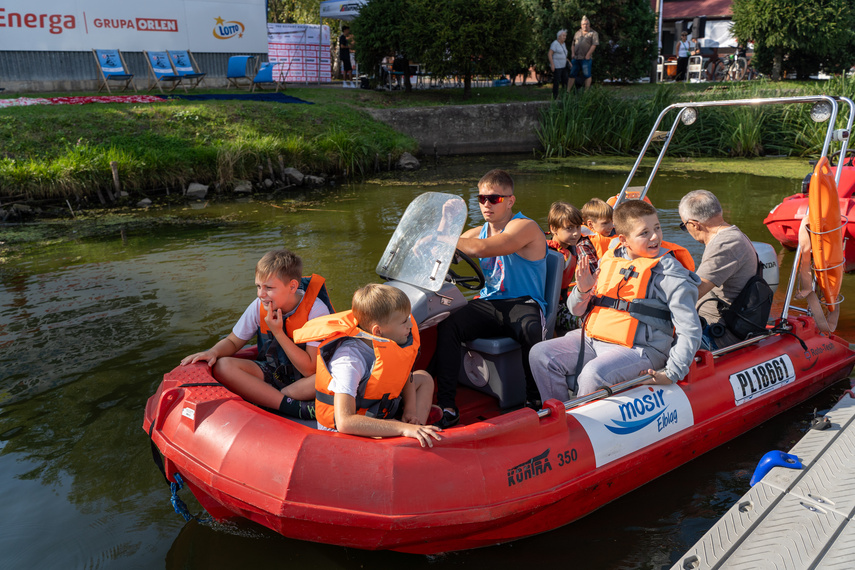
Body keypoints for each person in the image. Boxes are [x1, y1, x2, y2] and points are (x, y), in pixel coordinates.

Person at [529, 200, 702, 401]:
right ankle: (560, 418)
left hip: (641, 348)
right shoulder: (609, 260)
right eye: (644, 233)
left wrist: (672, 373)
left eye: (657, 228)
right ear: (623, 239)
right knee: (540, 354)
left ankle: (578, 422)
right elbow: (576, 310)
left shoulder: (671, 274)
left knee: (593, 374)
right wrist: (583, 289)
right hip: (594, 338)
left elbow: (690, 329)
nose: (655, 237)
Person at [431, 169, 548, 427]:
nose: (486, 204)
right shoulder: (480, 230)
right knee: (447, 323)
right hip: (489, 303)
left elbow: (482, 249)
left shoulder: (524, 226)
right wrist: (445, 222)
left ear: (510, 200)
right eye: (481, 198)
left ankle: (535, 401)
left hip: (523, 302)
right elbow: (437, 248)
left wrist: (447, 237)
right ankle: (447, 405)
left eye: (494, 199)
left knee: (530, 330)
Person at [180, 249, 333, 419]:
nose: (261, 294)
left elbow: (310, 369)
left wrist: (278, 332)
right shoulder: (259, 305)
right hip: (275, 371)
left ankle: (276, 400)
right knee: (223, 366)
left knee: (333, 377)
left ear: (292, 286)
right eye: (258, 286)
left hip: (307, 380)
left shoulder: (316, 310)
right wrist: (212, 352)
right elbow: (233, 341)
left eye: (269, 288)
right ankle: (292, 406)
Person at [293, 283, 442, 447]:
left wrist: (410, 411)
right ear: (377, 331)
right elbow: (345, 422)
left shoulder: (392, 339)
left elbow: (403, 371)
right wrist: (401, 428)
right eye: (403, 322)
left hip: (378, 410)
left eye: (408, 318)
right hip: (344, 434)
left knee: (425, 379)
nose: (410, 325)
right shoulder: (349, 361)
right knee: (395, 433)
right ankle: (409, 434)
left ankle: (416, 427)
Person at [678, 189, 757, 349]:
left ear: (694, 225)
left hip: (717, 334)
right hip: (714, 323)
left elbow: (692, 293)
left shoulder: (725, 244)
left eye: (684, 226)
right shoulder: (731, 235)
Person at [546, 201, 597, 333]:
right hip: (551, 308)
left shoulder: (573, 249)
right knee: (592, 322)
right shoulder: (549, 254)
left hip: (565, 302)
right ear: (553, 229)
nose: (576, 233)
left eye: (577, 227)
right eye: (569, 228)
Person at [569, 16, 599, 89]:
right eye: (583, 24)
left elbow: (594, 45)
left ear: (589, 24)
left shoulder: (593, 33)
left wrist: (588, 55)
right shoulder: (577, 33)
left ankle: (586, 93)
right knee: (572, 74)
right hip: (576, 58)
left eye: (586, 24)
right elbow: (573, 44)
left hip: (586, 58)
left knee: (587, 75)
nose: (585, 25)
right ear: (581, 25)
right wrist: (572, 53)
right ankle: (568, 91)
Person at [548, 29, 569, 99]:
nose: (565, 37)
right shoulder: (555, 44)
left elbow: (564, 54)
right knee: (556, 81)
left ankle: (564, 95)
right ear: (559, 36)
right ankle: (554, 97)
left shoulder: (564, 44)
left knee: (565, 80)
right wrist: (552, 64)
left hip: (564, 66)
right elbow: (549, 54)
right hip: (557, 66)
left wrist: (569, 62)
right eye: (563, 35)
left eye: (565, 36)